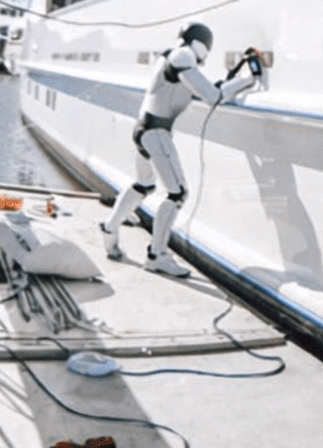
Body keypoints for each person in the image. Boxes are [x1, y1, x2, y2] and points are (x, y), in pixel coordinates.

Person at [101, 21, 262, 278]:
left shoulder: (170, 55)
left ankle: (110, 228)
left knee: (144, 185)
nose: (206, 56)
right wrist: (249, 79)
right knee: (177, 193)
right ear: (201, 44)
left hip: (143, 128)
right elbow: (212, 96)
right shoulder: (184, 55)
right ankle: (157, 256)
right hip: (156, 133)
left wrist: (228, 83)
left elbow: (195, 90)